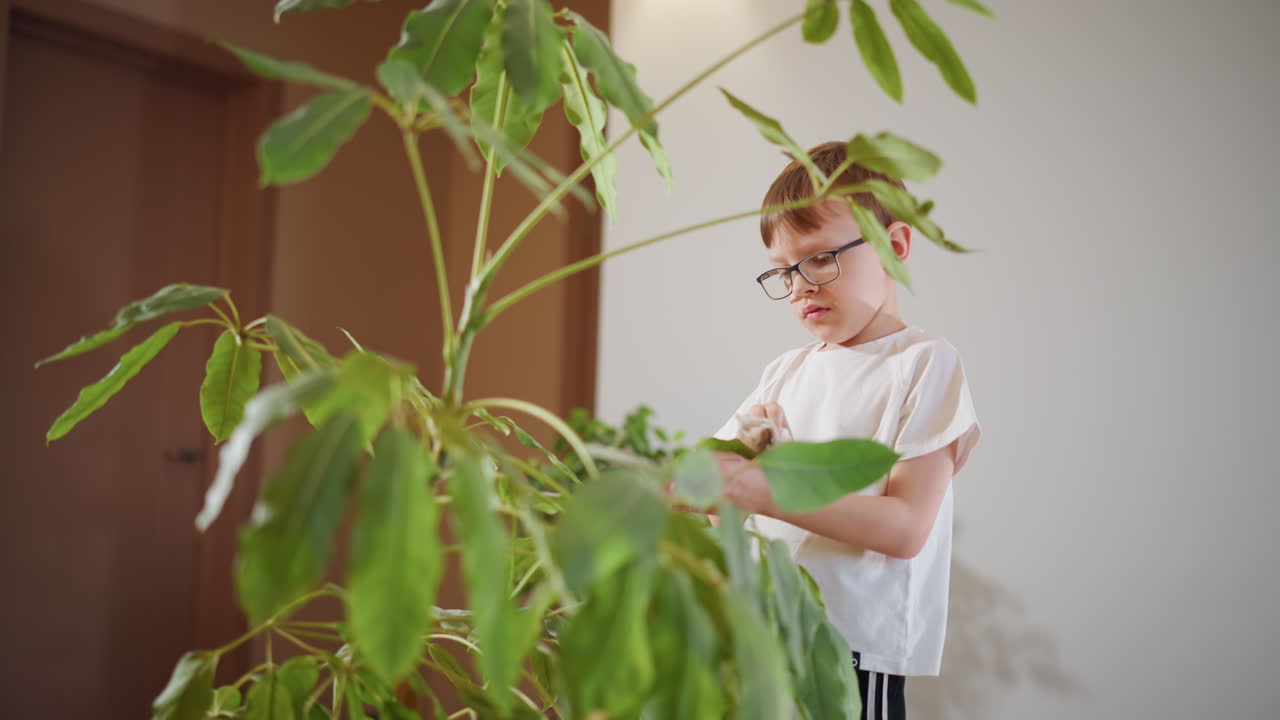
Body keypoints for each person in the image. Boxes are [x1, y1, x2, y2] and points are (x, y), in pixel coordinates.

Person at [711, 141, 982, 720]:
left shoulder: (923, 364)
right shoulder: (784, 373)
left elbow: (906, 527)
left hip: (852, 647)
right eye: (784, 270)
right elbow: (716, 487)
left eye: (819, 258)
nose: (801, 284)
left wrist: (761, 489)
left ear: (895, 245)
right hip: (765, 632)